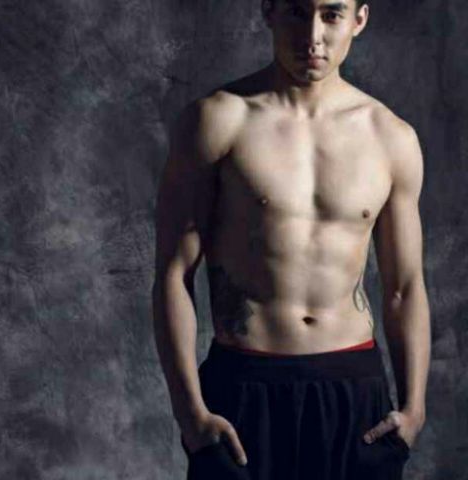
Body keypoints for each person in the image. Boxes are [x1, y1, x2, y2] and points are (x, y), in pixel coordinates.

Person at [152, 0, 431, 478]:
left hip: (353, 391)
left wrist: (414, 409)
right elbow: (174, 275)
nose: (313, 37)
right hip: (245, 386)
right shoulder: (218, 120)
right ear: (269, 11)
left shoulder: (391, 137)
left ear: (359, 19)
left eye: (332, 14)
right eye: (298, 13)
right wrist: (190, 414)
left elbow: (404, 287)